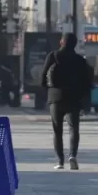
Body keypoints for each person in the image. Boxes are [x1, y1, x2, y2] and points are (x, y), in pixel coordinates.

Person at [40, 32, 92, 170]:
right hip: (74, 99)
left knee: (57, 130)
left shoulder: (53, 56)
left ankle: (60, 161)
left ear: (62, 42)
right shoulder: (80, 60)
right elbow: (87, 82)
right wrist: (84, 100)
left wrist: (49, 92)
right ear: (75, 44)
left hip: (55, 98)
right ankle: (72, 155)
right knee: (74, 128)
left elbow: (43, 76)